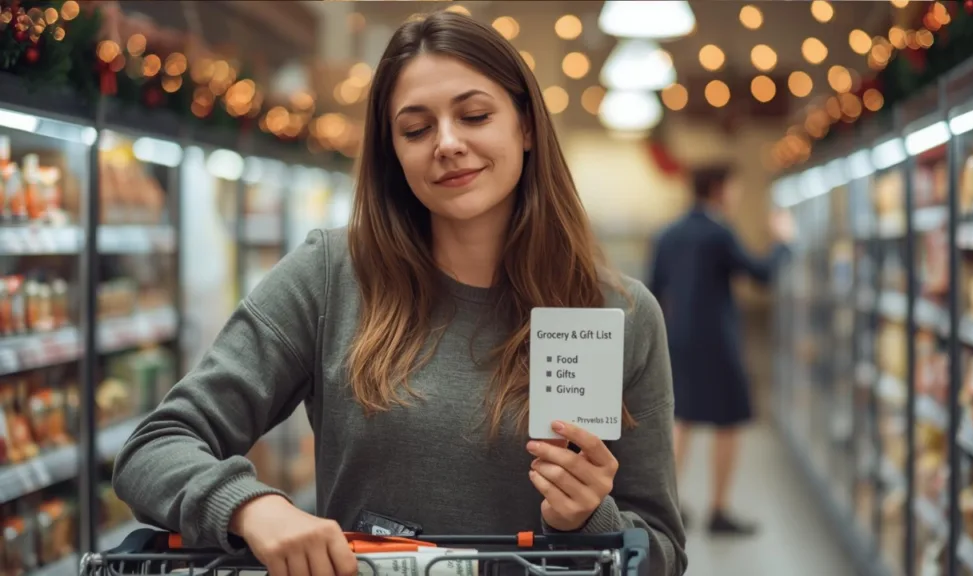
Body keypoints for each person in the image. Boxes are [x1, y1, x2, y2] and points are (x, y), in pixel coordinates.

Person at [111, 10, 687, 576]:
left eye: (476, 115)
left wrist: (592, 517)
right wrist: (251, 506)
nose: (448, 143)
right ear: (393, 152)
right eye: (416, 129)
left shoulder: (621, 313)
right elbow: (156, 447)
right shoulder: (332, 274)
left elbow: (662, 549)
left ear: (527, 125)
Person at [648, 165, 793, 536]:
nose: (737, 194)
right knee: (729, 422)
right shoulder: (719, 232)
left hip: (678, 340)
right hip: (718, 342)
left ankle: (669, 506)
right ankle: (719, 509)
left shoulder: (667, 233)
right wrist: (782, 242)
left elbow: (653, 289)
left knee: (681, 417)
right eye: (734, 187)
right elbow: (761, 273)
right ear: (718, 188)